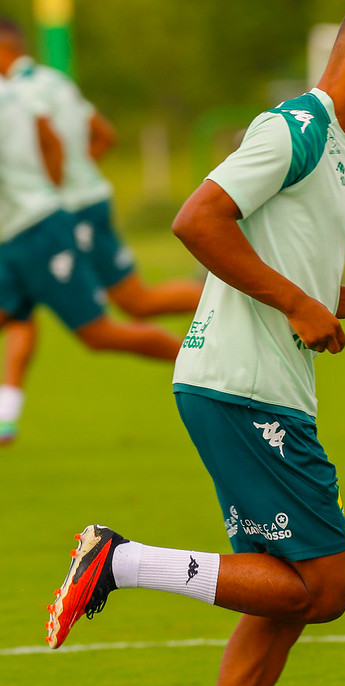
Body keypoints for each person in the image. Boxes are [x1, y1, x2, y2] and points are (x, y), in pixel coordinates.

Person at [46, 2, 345, 686]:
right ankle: (119, 560)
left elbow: (290, 270)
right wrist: (297, 304)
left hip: (256, 387)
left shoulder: (335, 153)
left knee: (284, 595)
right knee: (327, 587)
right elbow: (199, 220)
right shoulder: (296, 129)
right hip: (243, 386)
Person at [0, 17, 202, 443]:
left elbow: (50, 137)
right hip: (49, 216)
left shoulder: (21, 92)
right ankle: (8, 410)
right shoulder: (49, 82)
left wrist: (52, 188)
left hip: (51, 221)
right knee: (30, 313)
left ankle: (209, 359)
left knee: (115, 318)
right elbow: (100, 134)